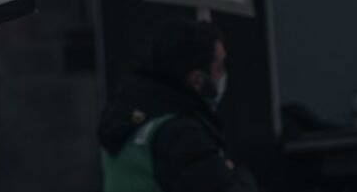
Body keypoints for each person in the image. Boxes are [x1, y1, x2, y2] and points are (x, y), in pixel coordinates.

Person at [98, 17, 257, 192]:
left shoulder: (127, 117)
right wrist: (237, 175)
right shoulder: (181, 134)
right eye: (219, 68)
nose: (223, 75)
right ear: (197, 79)